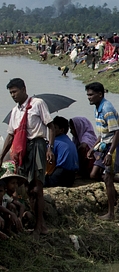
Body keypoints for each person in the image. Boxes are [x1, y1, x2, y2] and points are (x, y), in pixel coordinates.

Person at [0, 78, 54, 238]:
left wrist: (49, 148)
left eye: (15, 92)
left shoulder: (37, 103)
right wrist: (2, 156)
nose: (13, 95)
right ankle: (40, 225)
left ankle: (39, 226)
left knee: (37, 187)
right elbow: (10, 135)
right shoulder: (15, 111)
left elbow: (50, 126)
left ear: (24, 89)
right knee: (28, 188)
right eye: (10, 93)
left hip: (37, 145)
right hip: (22, 149)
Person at [85, 82, 119, 220]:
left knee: (108, 178)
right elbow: (102, 133)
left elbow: (117, 133)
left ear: (100, 94)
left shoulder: (107, 109)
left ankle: (111, 213)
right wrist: (93, 148)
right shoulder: (97, 107)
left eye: (91, 95)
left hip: (113, 146)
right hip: (104, 145)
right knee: (94, 175)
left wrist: (110, 153)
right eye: (88, 95)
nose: (89, 97)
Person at [45, 116, 79, 187]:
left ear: (61, 130)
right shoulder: (69, 141)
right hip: (72, 176)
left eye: (54, 128)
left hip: (61, 174)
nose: (52, 130)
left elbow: (47, 159)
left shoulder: (55, 142)